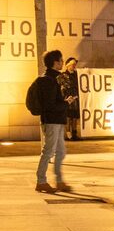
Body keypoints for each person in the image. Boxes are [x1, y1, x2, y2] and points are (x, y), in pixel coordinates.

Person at [35, 50, 76, 193]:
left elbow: (53, 102)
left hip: (57, 120)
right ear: (55, 62)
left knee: (60, 151)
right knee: (48, 151)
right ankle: (41, 181)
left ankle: (59, 181)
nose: (62, 63)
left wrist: (65, 102)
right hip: (51, 121)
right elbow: (50, 105)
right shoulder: (48, 80)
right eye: (61, 60)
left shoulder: (55, 79)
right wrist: (66, 103)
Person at [57, 57, 80, 141]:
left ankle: (74, 133)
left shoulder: (77, 75)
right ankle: (68, 133)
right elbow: (62, 88)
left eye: (75, 64)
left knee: (75, 117)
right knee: (68, 117)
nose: (74, 66)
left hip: (76, 98)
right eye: (72, 64)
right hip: (68, 99)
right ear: (67, 65)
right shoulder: (63, 75)